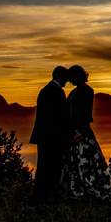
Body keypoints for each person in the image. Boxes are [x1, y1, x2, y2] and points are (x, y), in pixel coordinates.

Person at [61, 65, 111, 199]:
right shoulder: (74, 92)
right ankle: (77, 187)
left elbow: (85, 114)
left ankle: (88, 187)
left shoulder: (87, 91)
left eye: (71, 77)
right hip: (74, 132)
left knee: (85, 161)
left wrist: (80, 132)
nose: (69, 80)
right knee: (76, 161)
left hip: (82, 132)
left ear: (77, 75)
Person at [29, 65, 71, 202]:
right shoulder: (56, 92)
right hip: (53, 137)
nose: (67, 81)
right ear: (61, 77)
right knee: (52, 167)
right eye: (66, 78)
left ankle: (41, 195)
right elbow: (60, 116)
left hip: (44, 136)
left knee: (43, 166)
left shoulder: (45, 90)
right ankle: (48, 197)